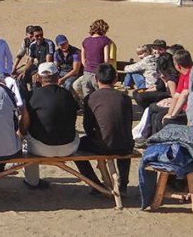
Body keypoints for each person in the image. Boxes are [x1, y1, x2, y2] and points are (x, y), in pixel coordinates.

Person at [74, 64, 134, 195]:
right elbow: (127, 122)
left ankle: (95, 184)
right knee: (122, 138)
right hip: (126, 144)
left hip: (104, 144)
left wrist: (94, 137)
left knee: (75, 148)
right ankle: (123, 184)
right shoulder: (125, 98)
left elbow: (87, 126)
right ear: (115, 79)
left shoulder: (91, 98)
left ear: (96, 79)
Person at [20, 62, 79, 189]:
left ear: (38, 78)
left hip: (41, 148)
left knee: (25, 141)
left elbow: (24, 127)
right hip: (69, 146)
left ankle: (32, 181)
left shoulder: (31, 96)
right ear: (57, 76)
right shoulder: (68, 94)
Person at [72, 20, 114, 101]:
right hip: (98, 73)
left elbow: (83, 60)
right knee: (100, 98)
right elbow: (106, 60)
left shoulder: (85, 41)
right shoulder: (105, 40)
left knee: (87, 99)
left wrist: (88, 68)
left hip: (87, 73)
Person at [17, 26, 55, 95]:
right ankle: (25, 97)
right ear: (33, 36)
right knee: (21, 79)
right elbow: (30, 61)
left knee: (35, 80)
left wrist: (38, 73)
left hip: (47, 68)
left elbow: (48, 62)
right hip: (38, 67)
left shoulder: (48, 44)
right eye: (37, 36)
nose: (39, 37)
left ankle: (36, 98)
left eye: (41, 35)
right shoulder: (33, 45)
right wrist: (24, 72)